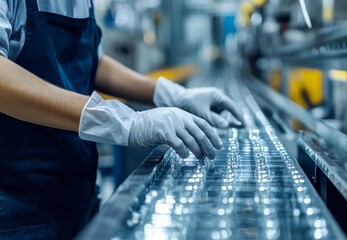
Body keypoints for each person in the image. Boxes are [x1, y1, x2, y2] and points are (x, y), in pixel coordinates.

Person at [0, 0, 244, 239]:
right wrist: (127, 123)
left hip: (76, 196)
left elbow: (91, 61)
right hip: (17, 211)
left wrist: (171, 94)